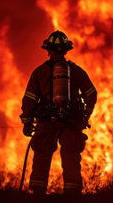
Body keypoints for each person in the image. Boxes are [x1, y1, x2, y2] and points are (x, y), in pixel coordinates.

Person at [20, 30, 97, 195]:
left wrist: (27, 122)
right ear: (66, 50)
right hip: (71, 122)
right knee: (71, 157)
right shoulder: (76, 71)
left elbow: (29, 100)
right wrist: (85, 116)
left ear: (48, 50)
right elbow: (92, 94)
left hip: (47, 121)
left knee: (42, 155)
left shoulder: (40, 72)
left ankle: (38, 193)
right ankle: (72, 194)